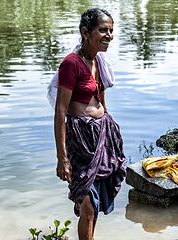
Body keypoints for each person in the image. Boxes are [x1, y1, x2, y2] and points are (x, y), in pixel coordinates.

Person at [52, 8, 126, 240]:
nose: (109, 35)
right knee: (87, 204)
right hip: (80, 141)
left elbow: (101, 100)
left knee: (96, 202)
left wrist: (110, 133)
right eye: (103, 30)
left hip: (101, 137)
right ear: (86, 32)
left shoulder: (99, 62)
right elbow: (60, 111)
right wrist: (62, 158)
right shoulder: (71, 64)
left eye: (111, 30)